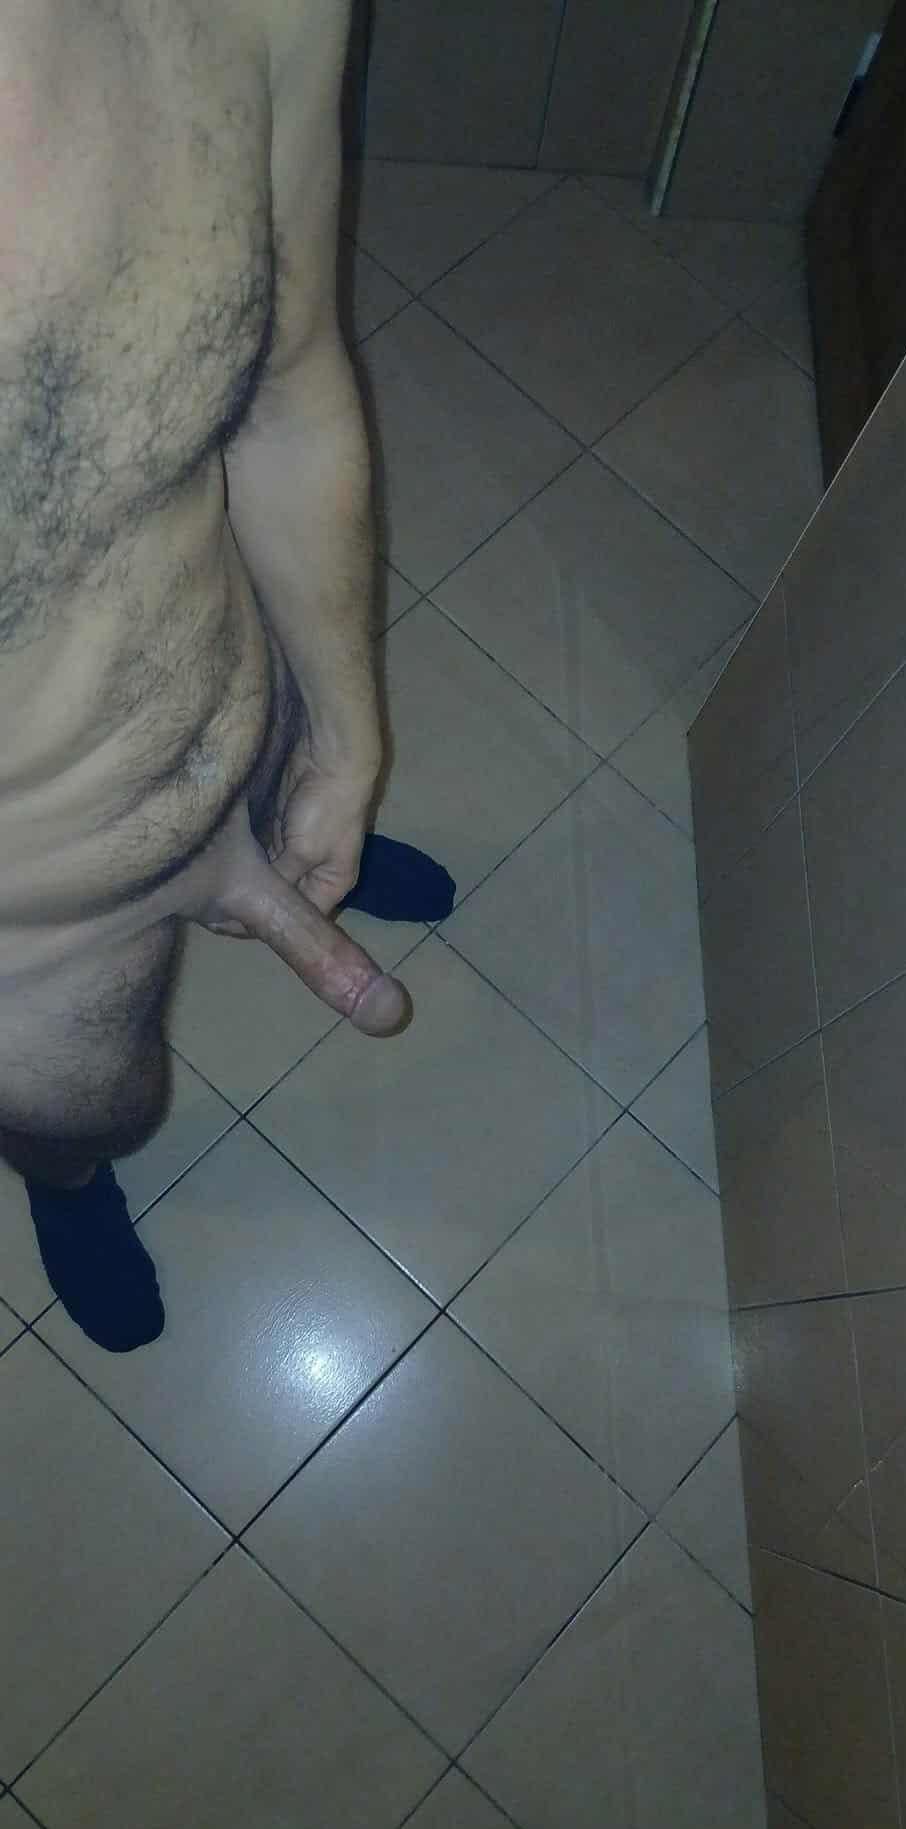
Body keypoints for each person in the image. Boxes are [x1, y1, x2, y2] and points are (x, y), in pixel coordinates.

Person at [0, 0, 451, 1352]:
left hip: (235, 678)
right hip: (41, 927)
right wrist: (83, 875)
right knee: (96, 1108)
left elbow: (286, 386)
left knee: (306, 795)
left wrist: (346, 741)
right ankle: (64, 1179)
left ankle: (298, 831)